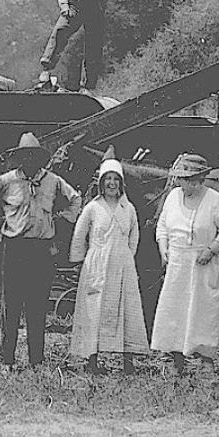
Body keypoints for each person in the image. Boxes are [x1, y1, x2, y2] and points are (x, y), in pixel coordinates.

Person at [0, 132, 82, 370]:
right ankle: (7, 360)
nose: (29, 160)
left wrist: (60, 220)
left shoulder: (53, 181)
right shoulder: (7, 180)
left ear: (40, 158)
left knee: (38, 305)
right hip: (15, 248)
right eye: (25, 156)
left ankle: (36, 360)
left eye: (33, 155)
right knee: (11, 305)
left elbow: (75, 199)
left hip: (42, 249)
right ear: (19, 158)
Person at [150, 153, 219, 373]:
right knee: (176, 312)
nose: (188, 184)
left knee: (205, 312)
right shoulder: (172, 198)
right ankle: (177, 360)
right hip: (178, 264)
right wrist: (164, 249)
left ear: (202, 179)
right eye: (184, 179)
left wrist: (212, 249)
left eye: (193, 180)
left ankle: (207, 360)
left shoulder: (215, 199)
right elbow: (162, 226)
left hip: (205, 263)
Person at [67, 157, 150, 373]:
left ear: (121, 183)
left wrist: (126, 258)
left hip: (122, 265)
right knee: (94, 309)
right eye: (107, 179)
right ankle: (92, 361)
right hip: (97, 265)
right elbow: (79, 235)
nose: (111, 183)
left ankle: (128, 361)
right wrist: (80, 261)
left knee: (127, 309)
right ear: (101, 183)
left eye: (115, 179)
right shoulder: (93, 208)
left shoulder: (128, 208)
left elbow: (134, 236)